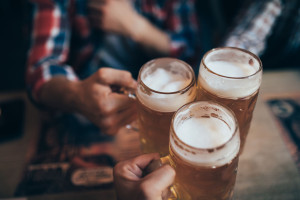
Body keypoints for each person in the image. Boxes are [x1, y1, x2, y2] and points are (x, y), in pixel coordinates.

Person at [26, 0, 199, 135]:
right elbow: (41, 68)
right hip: (82, 115)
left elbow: (190, 55)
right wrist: (77, 95)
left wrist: (136, 26)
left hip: (160, 115)